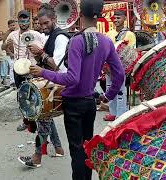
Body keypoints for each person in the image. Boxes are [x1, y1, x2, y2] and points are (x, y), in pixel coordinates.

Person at [29, 0, 125, 179]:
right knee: (86, 148)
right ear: (100, 16)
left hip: (73, 104)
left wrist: (43, 72)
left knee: (76, 152)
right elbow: (119, 74)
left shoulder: (77, 41)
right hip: (89, 103)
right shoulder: (106, 41)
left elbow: (72, 78)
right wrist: (107, 96)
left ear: (80, 15)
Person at [18, 3, 68, 168]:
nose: (43, 26)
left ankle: (37, 156)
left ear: (54, 20)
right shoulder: (48, 36)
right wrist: (38, 57)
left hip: (57, 85)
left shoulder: (60, 37)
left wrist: (41, 54)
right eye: (40, 24)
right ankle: (59, 148)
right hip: (49, 83)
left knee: (43, 119)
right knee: (45, 116)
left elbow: (58, 66)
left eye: (46, 23)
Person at [3, 10, 46, 132]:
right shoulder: (13, 35)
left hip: (33, 69)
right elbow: (4, 47)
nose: (23, 23)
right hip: (18, 69)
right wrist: (8, 46)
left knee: (35, 96)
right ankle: (26, 121)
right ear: (18, 21)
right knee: (21, 96)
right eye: (21, 21)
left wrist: (37, 52)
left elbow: (44, 49)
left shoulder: (36, 35)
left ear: (29, 21)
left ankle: (38, 120)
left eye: (26, 20)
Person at [103, 10, 136, 121]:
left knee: (120, 91)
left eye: (119, 18)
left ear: (124, 19)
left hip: (121, 67)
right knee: (109, 89)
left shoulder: (129, 34)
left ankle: (121, 114)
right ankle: (113, 112)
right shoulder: (109, 33)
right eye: (115, 18)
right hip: (108, 68)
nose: (116, 20)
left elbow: (130, 52)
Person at [2, 19, 17, 86]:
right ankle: (12, 82)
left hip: (15, 53)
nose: (13, 27)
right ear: (8, 26)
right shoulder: (7, 34)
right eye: (11, 25)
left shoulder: (16, 33)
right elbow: (4, 46)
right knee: (12, 68)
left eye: (14, 25)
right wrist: (10, 53)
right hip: (10, 54)